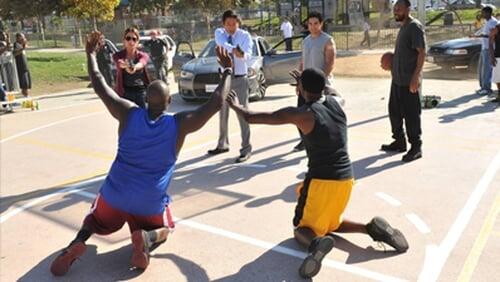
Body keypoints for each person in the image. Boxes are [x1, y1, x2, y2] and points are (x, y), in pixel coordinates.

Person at [49, 31, 234, 276]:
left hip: (113, 197)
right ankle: (145, 238)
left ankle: (77, 242)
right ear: (169, 103)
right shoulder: (179, 124)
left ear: (146, 99)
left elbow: (99, 84)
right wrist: (228, 71)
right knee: (167, 225)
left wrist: (90, 53)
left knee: (92, 219)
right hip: (148, 203)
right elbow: (216, 102)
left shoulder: (127, 112)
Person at [226, 68, 409, 279]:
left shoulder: (303, 115)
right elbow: (327, 91)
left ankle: (315, 245)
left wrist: (235, 105)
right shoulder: (337, 102)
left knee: (300, 229)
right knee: (329, 223)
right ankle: (370, 229)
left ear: (301, 88)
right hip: (346, 180)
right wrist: (306, 85)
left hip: (321, 181)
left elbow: (251, 117)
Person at [380, 0, 426, 163]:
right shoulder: (404, 27)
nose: (396, 11)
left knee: (411, 115)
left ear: (408, 9)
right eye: (395, 9)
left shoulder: (414, 26)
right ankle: (400, 142)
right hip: (397, 79)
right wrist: (392, 59)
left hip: (408, 81)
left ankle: (416, 147)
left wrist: (416, 77)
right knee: (394, 112)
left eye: (399, 9)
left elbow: (421, 53)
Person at [208, 10, 253, 163]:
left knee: (243, 113)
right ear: (223, 24)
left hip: (240, 78)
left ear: (238, 23)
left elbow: (248, 54)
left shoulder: (245, 36)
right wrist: (233, 50)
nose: (231, 27)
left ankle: (246, 148)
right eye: (228, 24)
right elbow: (221, 45)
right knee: (222, 112)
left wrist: (241, 54)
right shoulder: (219, 33)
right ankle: (222, 144)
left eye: (234, 24)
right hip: (225, 78)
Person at [293, 12, 336, 152]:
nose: (312, 26)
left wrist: (322, 81)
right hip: (305, 84)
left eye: (316, 23)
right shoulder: (306, 41)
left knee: (321, 115)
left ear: (321, 24)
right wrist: (299, 82)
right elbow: (302, 61)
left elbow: (330, 63)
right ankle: (304, 141)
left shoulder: (328, 40)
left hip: (320, 85)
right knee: (300, 113)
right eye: (310, 24)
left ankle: (323, 141)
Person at [113, 27, 150, 108]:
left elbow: (142, 63)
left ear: (137, 42)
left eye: (134, 39)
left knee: (141, 119)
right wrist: (126, 66)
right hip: (125, 93)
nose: (131, 41)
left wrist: (134, 68)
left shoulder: (143, 55)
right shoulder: (117, 55)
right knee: (127, 119)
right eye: (128, 38)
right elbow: (119, 63)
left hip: (140, 93)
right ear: (124, 40)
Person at [472, 6, 498, 96]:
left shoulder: (494, 22)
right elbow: (484, 33)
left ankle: (487, 88)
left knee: (487, 70)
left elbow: (492, 36)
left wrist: (480, 36)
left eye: (483, 13)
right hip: (484, 47)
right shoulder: (486, 22)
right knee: (481, 69)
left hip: (489, 48)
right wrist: (476, 35)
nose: (482, 14)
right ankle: (482, 87)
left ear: (488, 13)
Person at [13, 33, 31, 97]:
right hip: (21, 67)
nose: (24, 39)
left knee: (27, 83)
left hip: (25, 66)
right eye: (22, 37)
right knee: (24, 83)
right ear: (18, 38)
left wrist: (24, 45)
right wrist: (23, 48)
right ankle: (25, 96)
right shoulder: (16, 44)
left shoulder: (21, 45)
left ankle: (25, 95)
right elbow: (15, 53)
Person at [489, 22, 500, 102]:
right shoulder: (496, 28)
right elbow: (490, 43)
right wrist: (492, 56)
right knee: (497, 78)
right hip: (498, 56)